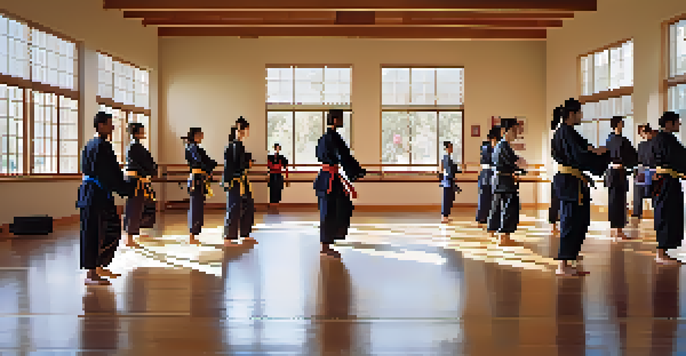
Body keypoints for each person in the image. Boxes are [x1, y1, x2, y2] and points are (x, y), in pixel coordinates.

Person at [551, 98, 610, 276]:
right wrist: (601, 157)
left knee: (580, 220)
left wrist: (595, 150)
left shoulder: (569, 132)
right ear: (571, 114)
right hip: (570, 183)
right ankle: (562, 264)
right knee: (570, 220)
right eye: (579, 113)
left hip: (573, 181)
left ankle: (571, 257)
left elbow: (584, 147)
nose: (581, 116)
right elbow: (580, 155)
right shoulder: (564, 132)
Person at [77, 111, 133, 285]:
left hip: (92, 193)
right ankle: (91, 274)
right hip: (96, 195)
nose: (113, 127)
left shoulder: (91, 144)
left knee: (104, 230)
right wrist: (127, 187)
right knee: (96, 232)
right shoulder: (101, 146)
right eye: (110, 123)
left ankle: (98, 266)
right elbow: (110, 173)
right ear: (101, 125)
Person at [314, 109, 366, 258]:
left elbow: (320, 155)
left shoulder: (323, 137)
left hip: (324, 177)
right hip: (330, 179)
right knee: (332, 210)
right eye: (341, 118)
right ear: (335, 120)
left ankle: (329, 239)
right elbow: (345, 157)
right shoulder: (334, 137)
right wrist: (358, 172)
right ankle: (326, 243)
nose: (343, 121)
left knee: (334, 208)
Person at [650, 111, 686, 265]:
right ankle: (660, 253)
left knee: (668, 213)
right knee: (665, 213)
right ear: (669, 123)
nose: (679, 124)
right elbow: (680, 158)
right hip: (666, 182)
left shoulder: (660, 138)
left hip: (664, 180)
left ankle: (663, 251)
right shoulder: (666, 139)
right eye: (677, 122)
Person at [487, 118, 526, 246]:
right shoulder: (502, 146)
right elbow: (513, 163)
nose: (516, 133)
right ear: (505, 131)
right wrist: (520, 167)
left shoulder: (503, 146)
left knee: (501, 207)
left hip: (502, 181)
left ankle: (501, 234)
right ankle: (503, 237)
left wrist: (518, 164)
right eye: (513, 130)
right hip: (504, 182)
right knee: (509, 207)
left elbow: (514, 161)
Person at [222, 117, 256, 246]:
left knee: (248, 205)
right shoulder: (233, 145)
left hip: (242, 180)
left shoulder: (239, 145)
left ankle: (245, 233)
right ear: (241, 130)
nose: (247, 132)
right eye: (246, 130)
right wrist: (247, 163)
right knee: (234, 207)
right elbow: (234, 165)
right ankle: (228, 236)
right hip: (234, 181)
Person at [123, 123, 158, 248]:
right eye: (142, 131)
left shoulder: (135, 146)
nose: (144, 132)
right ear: (136, 132)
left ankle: (133, 232)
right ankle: (129, 237)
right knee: (134, 207)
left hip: (137, 179)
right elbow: (145, 163)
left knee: (139, 207)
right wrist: (151, 171)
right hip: (136, 180)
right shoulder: (134, 147)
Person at [604, 116, 638, 240]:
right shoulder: (622, 140)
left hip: (612, 173)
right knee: (619, 202)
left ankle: (615, 230)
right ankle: (618, 230)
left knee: (614, 201)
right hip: (618, 173)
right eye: (621, 122)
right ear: (618, 124)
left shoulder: (608, 140)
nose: (623, 124)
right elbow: (633, 156)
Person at [183, 127, 218, 245]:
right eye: (200, 134)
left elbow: (207, 161)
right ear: (195, 136)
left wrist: (211, 164)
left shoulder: (197, 148)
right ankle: (192, 234)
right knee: (195, 206)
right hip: (196, 179)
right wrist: (208, 166)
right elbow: (199, 162)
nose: (202, 136)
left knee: (198, 206)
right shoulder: (191, 148)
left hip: (200, 178)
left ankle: (194, 232)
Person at [476, 126, 501, 227]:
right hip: (488, 173)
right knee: (486, 196)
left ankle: (486, 217)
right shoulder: (488, 147)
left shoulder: (491, 147)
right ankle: (483, 217)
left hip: (487, 173)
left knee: (489, 197)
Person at [632, 124, 656, 221]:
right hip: (643, 169)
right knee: (637, 188)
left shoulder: (655, 143)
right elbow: (639, 159)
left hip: (653, 170)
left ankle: (656, 211)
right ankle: (637, 213)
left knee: (655, 191)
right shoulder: (641, 145)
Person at [440, 141, 462, 223]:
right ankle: (444, 216)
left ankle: (446, 216)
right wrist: (458, 169)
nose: (451, 149)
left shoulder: (448, 157)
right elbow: (450, 170)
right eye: (450, 147)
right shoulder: (446, 158)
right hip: (448, 181)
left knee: (449, 199)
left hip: (448, 180)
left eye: (452, 147)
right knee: (447, 199)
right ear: (446, 148)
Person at [267, 143, 289, 211]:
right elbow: (268, 165)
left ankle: (277, 203)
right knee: (272, 188)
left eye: (278, 148)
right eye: (276, 147)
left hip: (279, 173)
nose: (277, 149)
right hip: (272, 174)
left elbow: (286, 165)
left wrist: (287, 177)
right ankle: (272, 203)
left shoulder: (281, 157)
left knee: (278, 188)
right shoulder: (270, 156)